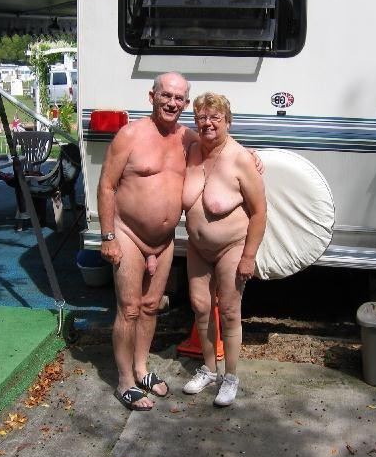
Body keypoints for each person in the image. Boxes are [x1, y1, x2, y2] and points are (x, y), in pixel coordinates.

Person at [98, 72, 193, 411]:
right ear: (151, 96)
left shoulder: (188, 138)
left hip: (164, 240)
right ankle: (124, 381)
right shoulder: (130, 135)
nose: (172, 103)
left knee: (152, 306)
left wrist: (251, 155)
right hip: (128, 234)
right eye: (166, 95)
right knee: (129, 308)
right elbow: (107, 185)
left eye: (179, 98)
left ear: (186, 103)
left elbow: (222, 148)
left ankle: (141, 369)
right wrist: (108, 236)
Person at [181, 92, 267, 407]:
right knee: (200, 307)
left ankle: (230, 377)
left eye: (215, 117)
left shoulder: (241, 158)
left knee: (230, 311)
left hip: (232, 247)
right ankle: (208, 369)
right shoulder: (191, 150)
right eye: (202, 117)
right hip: (197, 248)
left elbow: (259, 212)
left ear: (228, 121)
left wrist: (249, 257)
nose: (208, 123)